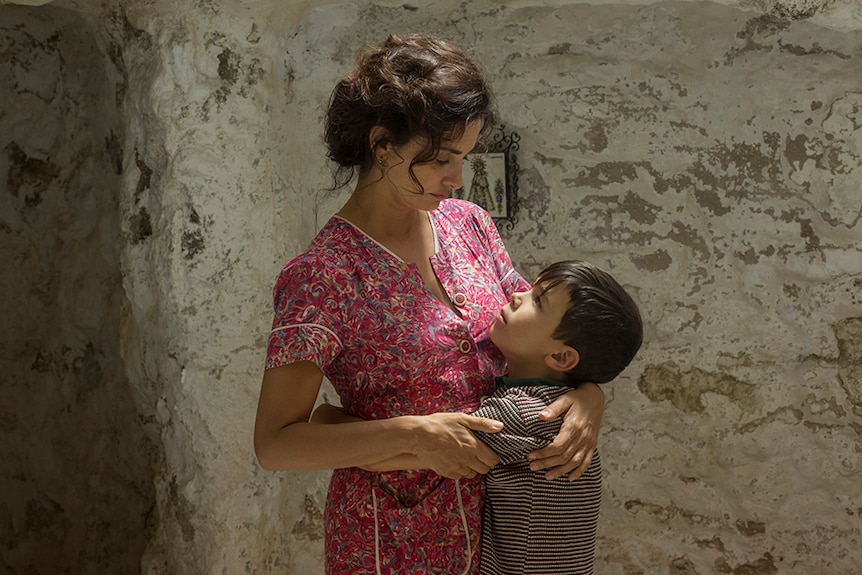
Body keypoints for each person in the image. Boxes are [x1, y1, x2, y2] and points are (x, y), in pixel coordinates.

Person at [253, 34, 606, 575]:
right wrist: (412, 434)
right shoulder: (322, 278)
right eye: (441, 158)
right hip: (390, 540)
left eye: (464, 158)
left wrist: (587, 396)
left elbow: (547, 338)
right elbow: (275, 445)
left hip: (499, 534)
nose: (457, 178)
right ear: (382, 145)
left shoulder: (470, 226)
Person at [472, 259, 643, 575]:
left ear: (562, 357)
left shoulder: (526, 415)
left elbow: (431, 441)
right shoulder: (559, 406)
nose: (516, 295)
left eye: (537, 300)